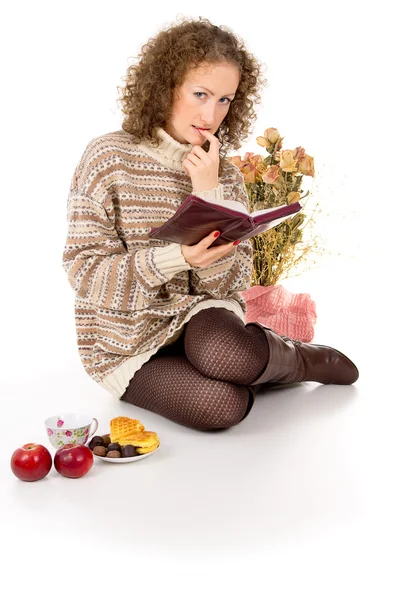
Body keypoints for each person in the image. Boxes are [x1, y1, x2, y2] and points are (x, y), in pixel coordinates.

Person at [62, 17, 359, 431]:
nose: (210, 114)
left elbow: (229, 287)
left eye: (224, 100)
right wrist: (175, 258)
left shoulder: (224, 174)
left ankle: (302, 359)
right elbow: (85, 272)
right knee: (221, 408)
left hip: (204, 321)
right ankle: (262, 366)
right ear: (164, 86)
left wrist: (209, 194)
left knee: (227, 352)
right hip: (123, 343)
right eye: (200, 94)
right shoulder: (107, 158)